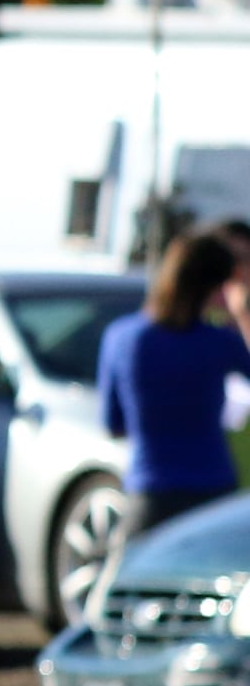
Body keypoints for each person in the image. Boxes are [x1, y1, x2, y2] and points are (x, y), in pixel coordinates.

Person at [96, 231, 250, 539]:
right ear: (212, 287)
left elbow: (113, 424)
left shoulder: (122, 337)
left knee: (134, 582)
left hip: (151, 491)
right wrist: (242, 314)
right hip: (214, 489)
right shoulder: (220, 342)